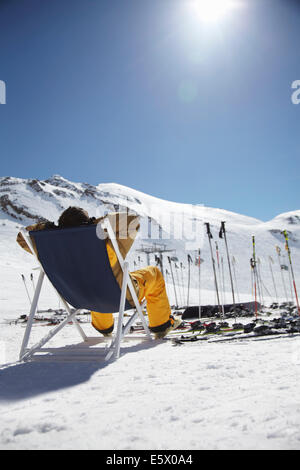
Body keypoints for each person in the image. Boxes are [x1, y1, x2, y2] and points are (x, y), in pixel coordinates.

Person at [17, 206, 181, 339]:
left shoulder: (49, 245)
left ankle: (104, 327)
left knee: (90, 281)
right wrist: (94, 223)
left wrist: (51, 229)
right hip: (120, 296)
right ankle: (161, 326)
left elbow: (21, 237)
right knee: (153, 273)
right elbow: (131, 220)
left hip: (78, 297)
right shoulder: (101, 238)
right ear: (87, 221)